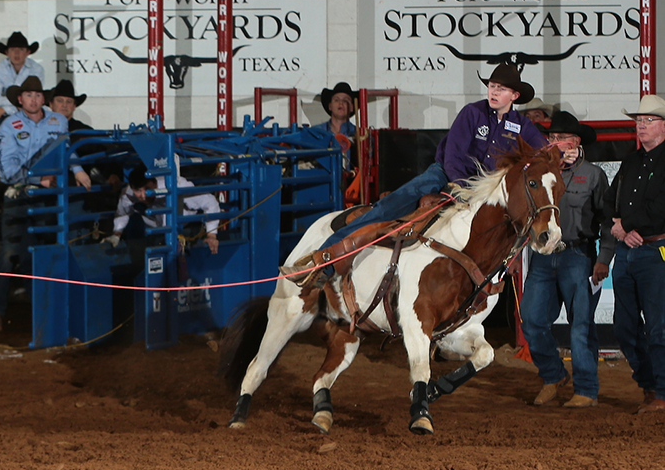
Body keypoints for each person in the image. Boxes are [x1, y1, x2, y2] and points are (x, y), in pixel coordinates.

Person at [284, 62, 549, 284]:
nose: (494, 92)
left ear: (514, 96)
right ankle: (324, 259)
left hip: (486, 190)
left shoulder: (522, 126)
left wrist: (564, 153)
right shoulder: (473, 113)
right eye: (492, 86)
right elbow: (453, 155)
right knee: (388, 207)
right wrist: (462, 188)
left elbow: (545, 153)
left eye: (501, 89)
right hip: (447, 175)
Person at [521, 111, 613, 408]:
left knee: (581, 325)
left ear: (575, 142)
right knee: (532, 319)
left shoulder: (593, 175)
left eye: (560, 138)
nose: (554, 142)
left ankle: (586, 389)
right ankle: (553, 374)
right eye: (551, 137)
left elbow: (608, 220)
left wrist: (603, 258)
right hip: (543, 255)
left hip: (578, 254)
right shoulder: (541, 172)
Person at [0, 75, 87, 332]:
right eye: (29, 95)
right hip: (20, 195)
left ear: (44, 99)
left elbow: (66, 148)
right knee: (9, 255)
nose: (33, 100)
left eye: (37, 95)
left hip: (47, 197)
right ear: (20, 99)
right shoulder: (9, 126)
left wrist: (78, 169)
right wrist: (36, 178)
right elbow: (7, 172)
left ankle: (42, 313)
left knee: (42, 253)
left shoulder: (58, 121)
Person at [608, 95, 665, 414]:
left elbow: (660, 209)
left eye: (648, 121)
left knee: (658, 326)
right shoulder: (630, 162)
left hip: (657, 250)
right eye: (639, 121)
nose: (641, 126)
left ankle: (661, 391)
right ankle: (650, 384)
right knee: (624, 327)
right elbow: (608, 202)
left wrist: (623, 225)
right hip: (629, 251)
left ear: (663, 126)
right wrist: (618, 228)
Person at [105, 166, 220, 254]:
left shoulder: (177, 186)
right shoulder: (128, 194)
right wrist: (117, 234)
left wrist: (211, 235)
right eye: (138, 191)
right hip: (157, 233)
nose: (143, 196)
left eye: (147, 189)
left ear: (155, 183)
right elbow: (122, 212)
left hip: (187, 229)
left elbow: (210, 203)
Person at [0, 31, 44, 130]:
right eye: (13, 49)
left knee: (36, 112)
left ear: (28, 52)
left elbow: (33, 100)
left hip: (27, 112)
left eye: (21, 49)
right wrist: (17, 104)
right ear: (7, 52)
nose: (16, 53)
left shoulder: (36, 69)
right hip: (8, 112)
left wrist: (4, 109)